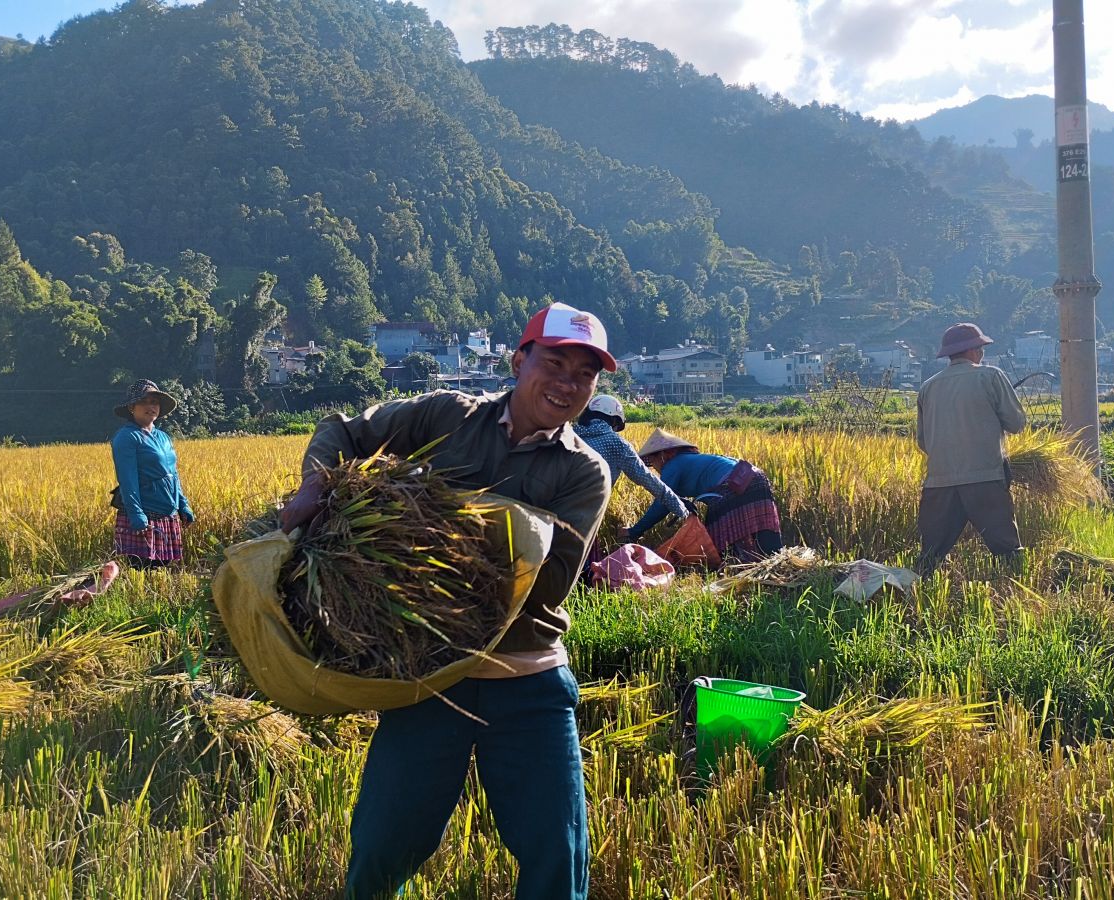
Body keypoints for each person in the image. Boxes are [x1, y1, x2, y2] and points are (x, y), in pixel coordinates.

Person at [278, 301, 614, 900]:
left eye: (583, 375)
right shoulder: (446, 416)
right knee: (381, 849)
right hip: (430, 679)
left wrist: (422, 524)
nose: (567, 383)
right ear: (518, 361)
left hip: (527, 682)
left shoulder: (585, 471)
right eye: (555, 363)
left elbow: (549, 579)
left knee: (556, 861)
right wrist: (315, 486)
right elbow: (344, 430)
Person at [914, 322, 1027, 576]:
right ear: (975, 351)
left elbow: (923, 442)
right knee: (1008, 551)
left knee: (930, 555)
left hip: (938, 483)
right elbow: (1017, 423)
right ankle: (1016, 593)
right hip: (985, 478)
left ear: (949, 354)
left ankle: (916, 599)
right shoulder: (991, 377)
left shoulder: (927, 388)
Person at [625, 429, 784, 562]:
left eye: (653, 461)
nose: (654, 467)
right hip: (754, 477)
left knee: (717, 535)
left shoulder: (672, 465)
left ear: (663, 455)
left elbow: (662, 503)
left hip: (732, 485)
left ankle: (736, 565)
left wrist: (635, 531)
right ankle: (778, 562)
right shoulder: (689, 460)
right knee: (763, 525)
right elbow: (674, 498)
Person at [573, 394, 691, 536]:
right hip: (584, 518)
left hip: (548, 511)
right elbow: (649, 480)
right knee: (579, 556)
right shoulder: (616, 443)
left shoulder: (565, 435)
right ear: (613, 420)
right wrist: (682, 509)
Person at [110, 379, 194, 568]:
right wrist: (136, 515)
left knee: (162, 569)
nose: (151, 406)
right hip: (145, 514)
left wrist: (183, 505)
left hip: (167, 512)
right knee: (142, 570)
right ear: (132, 407)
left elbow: (172, 474)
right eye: (144, 401)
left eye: (154, 402)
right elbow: (127, 480)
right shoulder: (126, 437)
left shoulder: (163, 437)